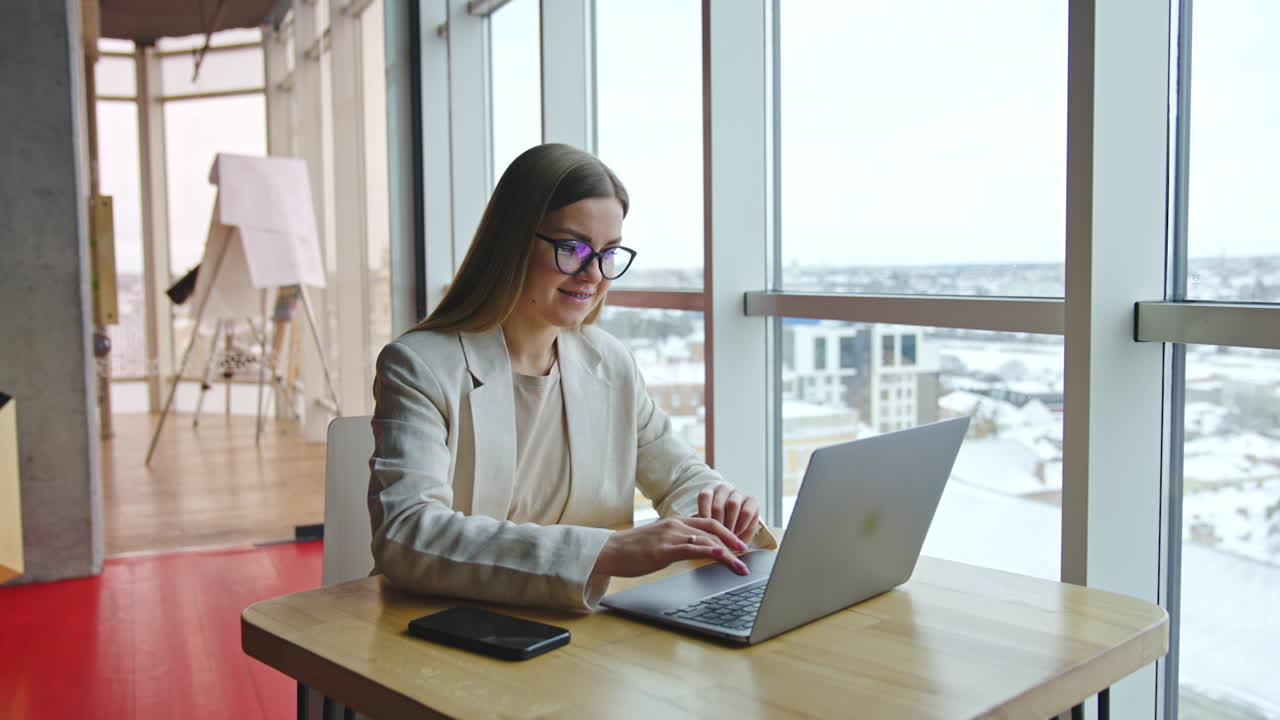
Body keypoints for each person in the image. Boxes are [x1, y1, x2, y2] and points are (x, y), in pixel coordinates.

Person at [368, 143, 774, 612]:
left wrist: (716, 505)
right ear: (513, 242)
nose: (592, 274)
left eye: (608, 253)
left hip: (577, 631)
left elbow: (679, 475)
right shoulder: (419, 365)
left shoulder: (609, 361)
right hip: (443, 626)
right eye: (571, 248)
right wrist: (609, 552)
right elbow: (405, 534)